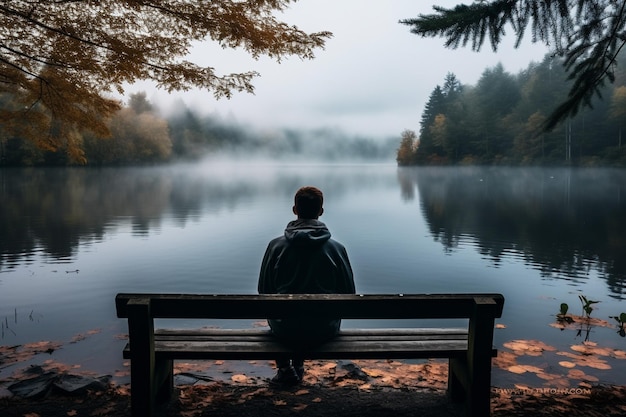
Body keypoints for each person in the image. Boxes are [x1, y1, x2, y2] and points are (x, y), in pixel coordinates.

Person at [258, 186, 356, 387]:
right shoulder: (336, 249)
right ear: (321, 211)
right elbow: (349, 294)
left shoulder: (275, 247)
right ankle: (299, 367)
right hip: (324, 329)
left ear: (294, 210)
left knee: (280, 311)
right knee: (307, 311)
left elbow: (264, 290)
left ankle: (285, 369)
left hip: (284, 330)